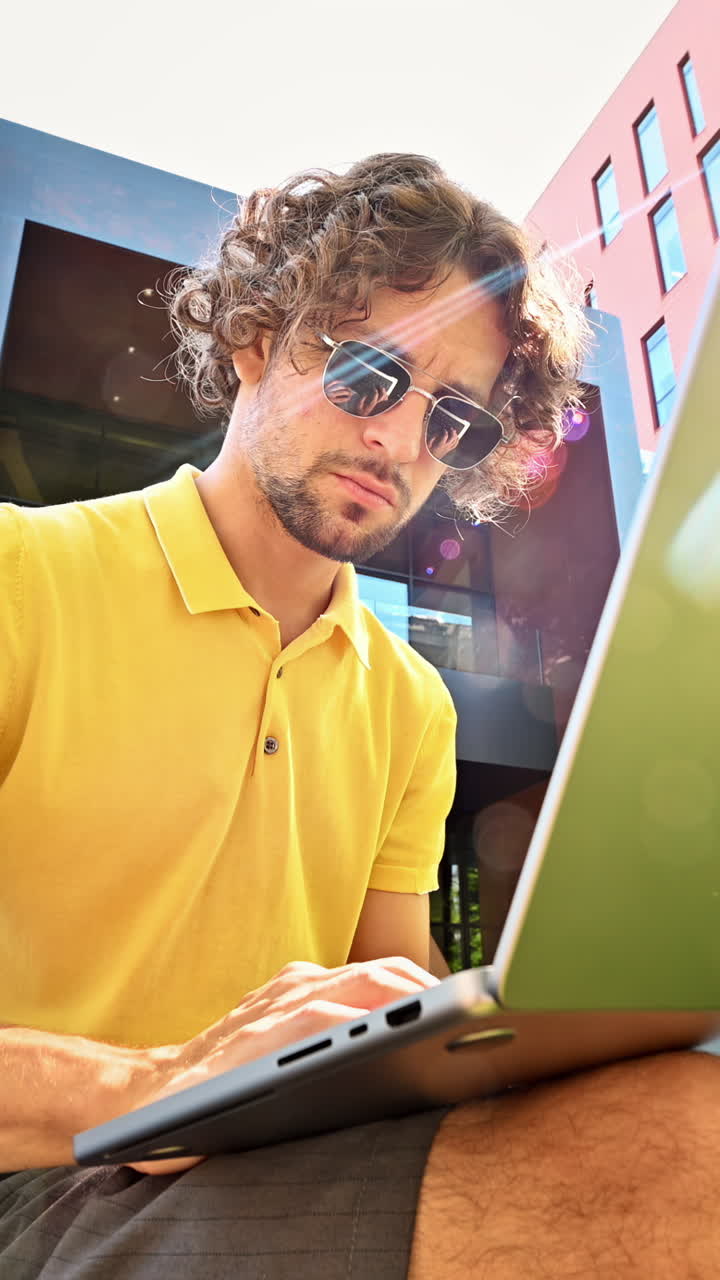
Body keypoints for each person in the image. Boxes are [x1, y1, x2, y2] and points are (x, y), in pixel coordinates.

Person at [0, 153, 717, 1279]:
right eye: (371, 375)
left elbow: (389, 1029)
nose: (400, 444)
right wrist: (152, 1082)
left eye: (456, 423)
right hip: (34, 1175)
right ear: (253, 338)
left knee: (686, 1105)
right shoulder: (16, 576)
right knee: (682, 1155)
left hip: (249, 1167)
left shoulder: (411, 704)